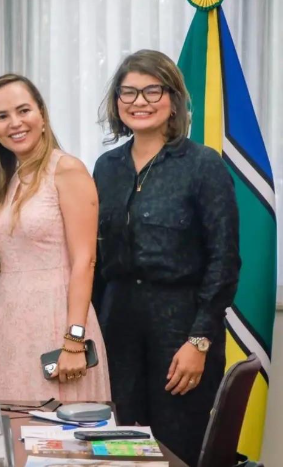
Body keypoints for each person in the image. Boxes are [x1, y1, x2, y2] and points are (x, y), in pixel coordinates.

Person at [93, 49, 239, 465]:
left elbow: (224, 261)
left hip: (181, 325)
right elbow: (96, 259)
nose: (139, 101)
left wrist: (199, 341)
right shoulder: (105, 167)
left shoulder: (203, 165)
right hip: (117, 323)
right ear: (117, 102)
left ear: (173, 100)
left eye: (152, 91)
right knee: (119, 448)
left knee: (177, 447)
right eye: (128, 92)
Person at [0, 73, 110, 401]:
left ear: (42, 116)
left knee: (55, 427)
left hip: (56, 319)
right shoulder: (5, 178)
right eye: (2, 116)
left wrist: (74, 340)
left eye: (23, 110)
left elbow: (85, 261)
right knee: (7, 423)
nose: (15, 123)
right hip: (6, 322)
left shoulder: (67, 170)